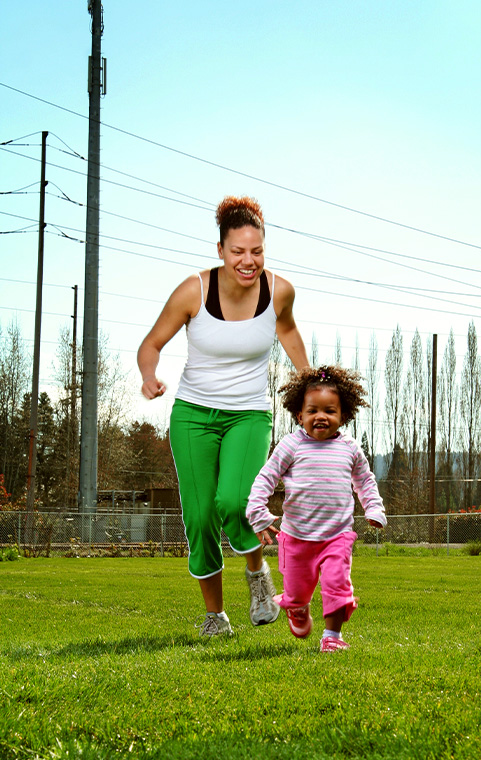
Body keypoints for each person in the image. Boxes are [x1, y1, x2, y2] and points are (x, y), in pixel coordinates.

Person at [137, 196, 309, 637]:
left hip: (248, 415)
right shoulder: (194, 290)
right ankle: (216, 616)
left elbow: (287, 331)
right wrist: (149, 376)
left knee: (234, 501)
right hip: (193, 415)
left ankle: (257, 576)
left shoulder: (279, 291)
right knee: (199, 517)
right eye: (238, 251)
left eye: (257, 251)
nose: (247, 261)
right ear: (220, 250)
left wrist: (310, 385)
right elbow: (151, 344)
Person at [246, 365, 387, 653]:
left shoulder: (350, 449)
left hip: (337, 536)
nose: (321, 416)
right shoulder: (291, 445)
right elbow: (266, 477)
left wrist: (373, 507)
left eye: (329, 411)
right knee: (298, 594)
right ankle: (297, 607)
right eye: (312, 411)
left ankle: (332, 636)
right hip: (297, 538)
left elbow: (365, 481)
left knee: (337, 585)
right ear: (300, 416)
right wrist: (257, 513)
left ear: (343, 416)